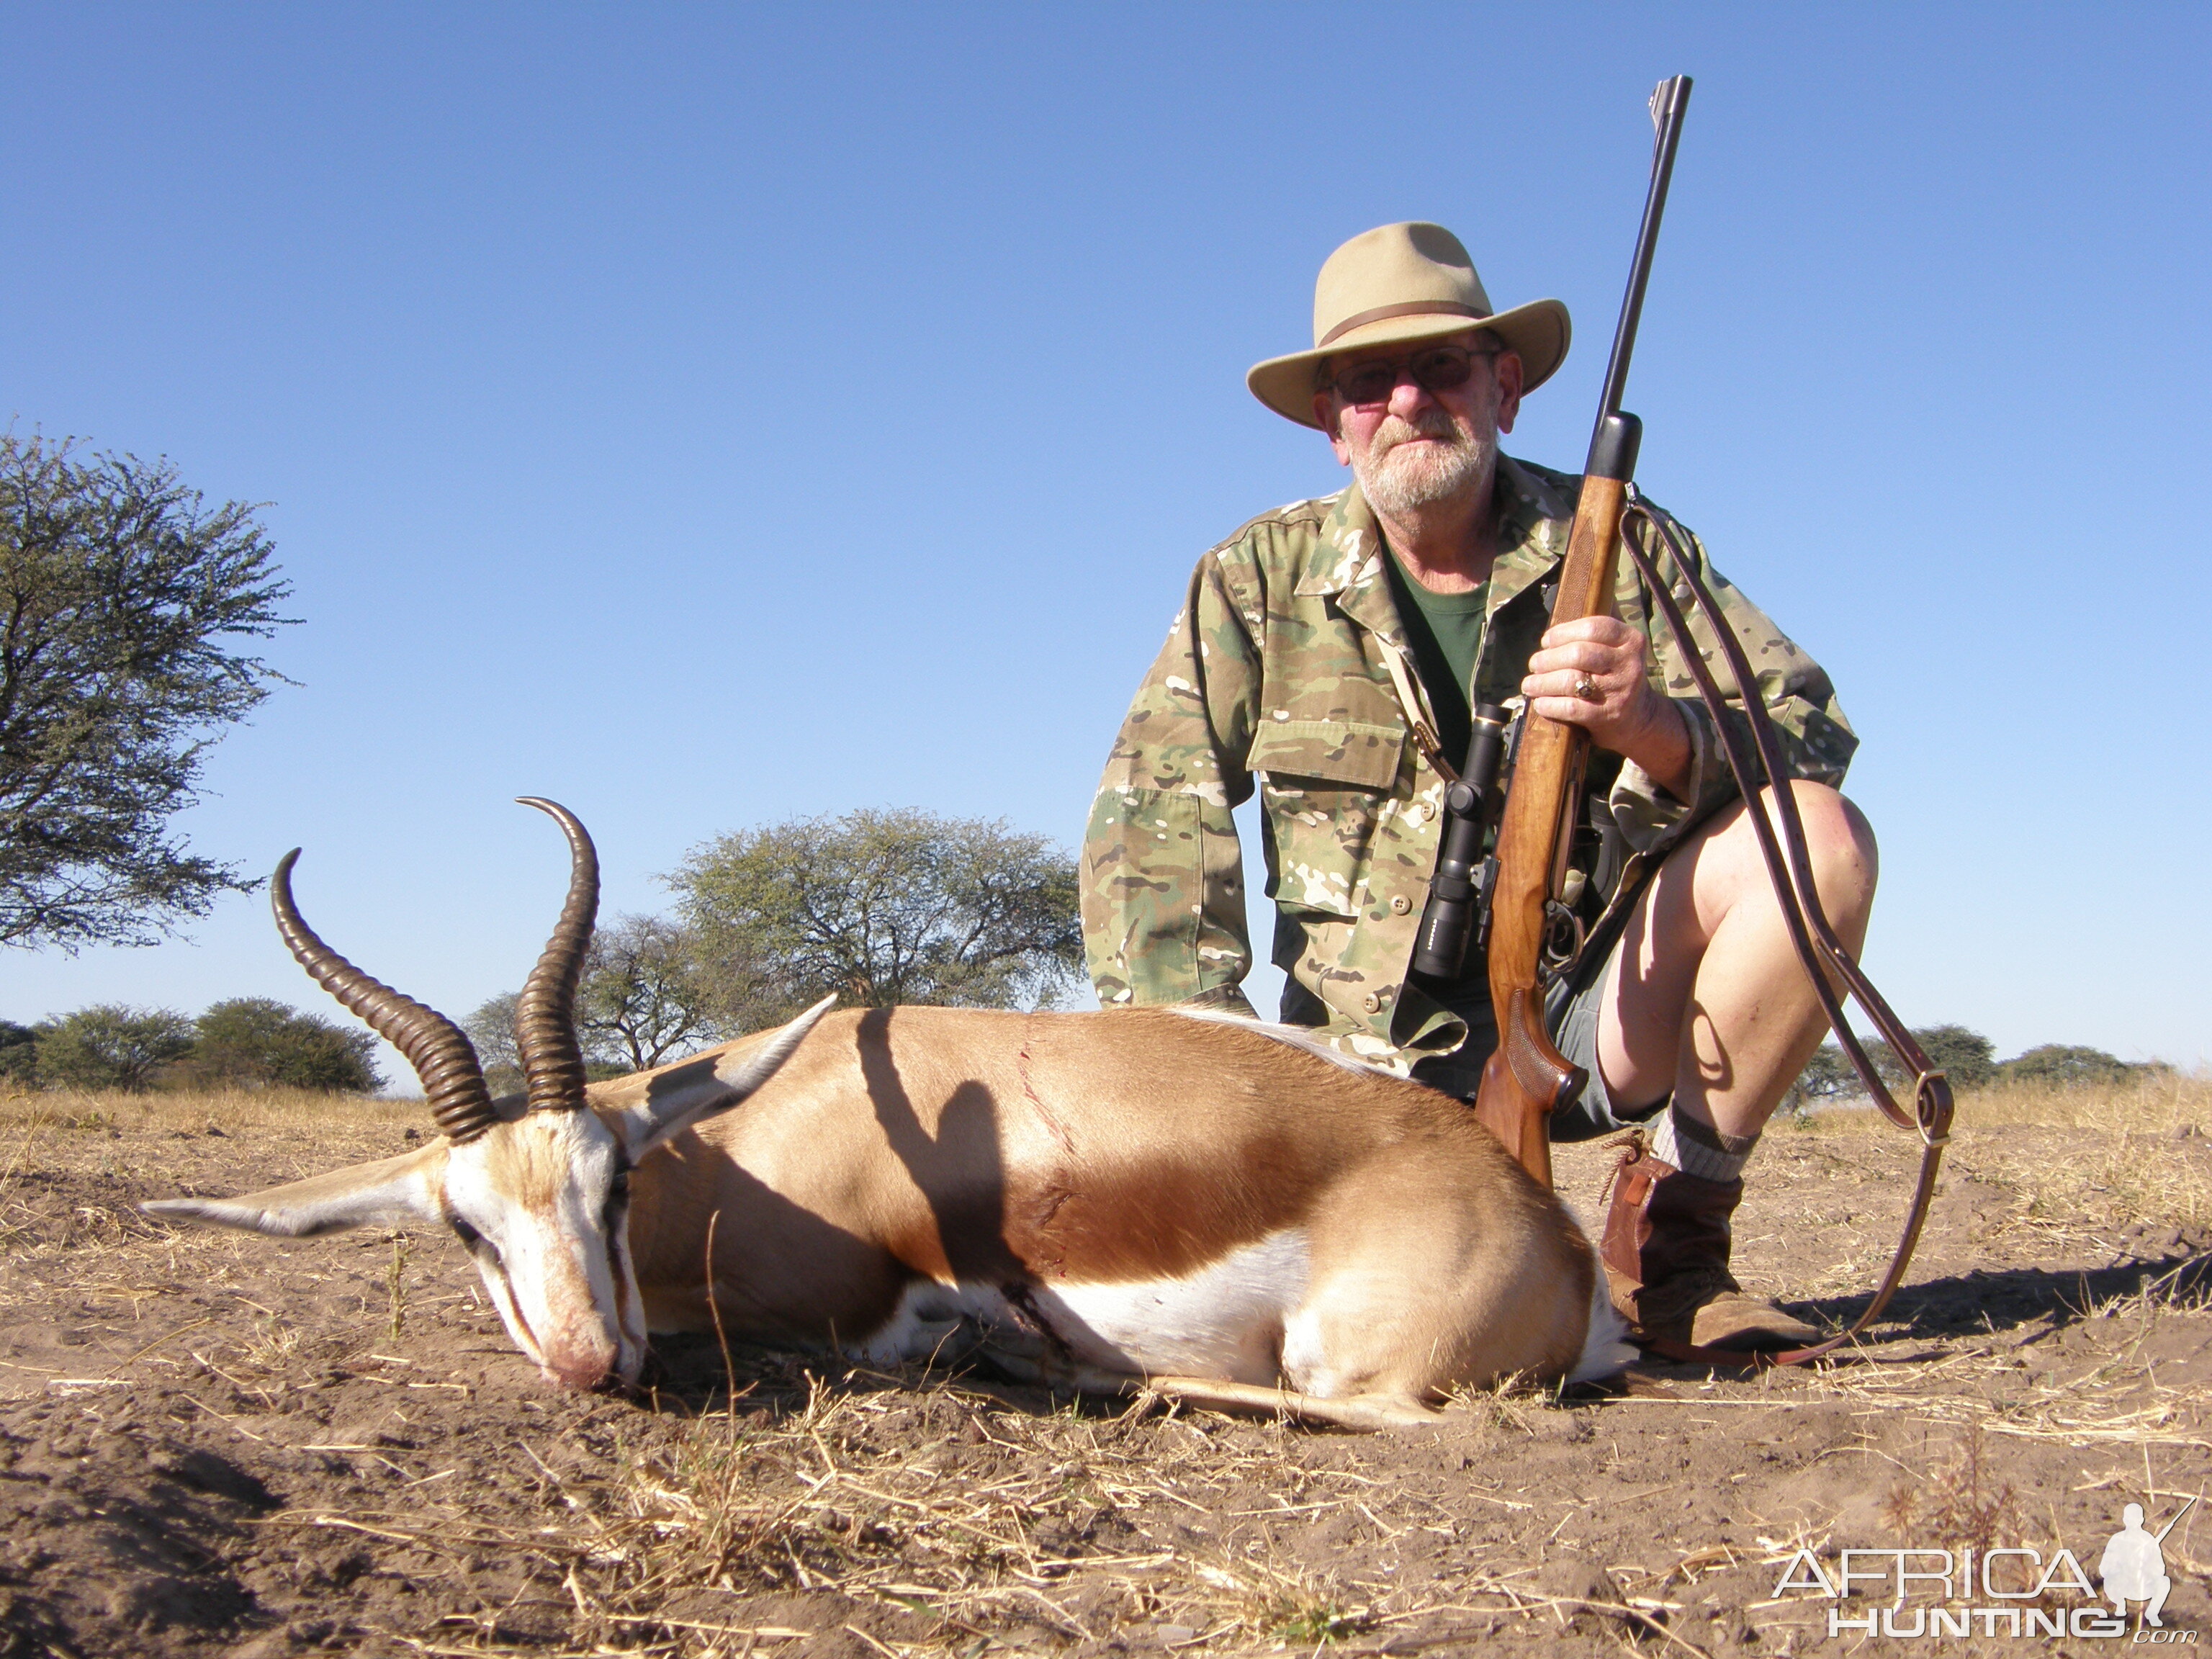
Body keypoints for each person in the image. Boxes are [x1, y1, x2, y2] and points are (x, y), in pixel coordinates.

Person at [1079, 222, 1877, 1351]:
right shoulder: (1254, 576)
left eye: (1441, 367)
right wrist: (1200, 1090)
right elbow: (1155, 822)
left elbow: (1810, 732)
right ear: (1330, 422)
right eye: (1367, 381)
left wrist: (1658, 730)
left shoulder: (1628, 546)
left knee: (1820, 842)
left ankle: (1678, 1257)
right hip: (1348, 1078)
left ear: (1504, 385)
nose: (1407, 399)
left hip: (1587, 1020)